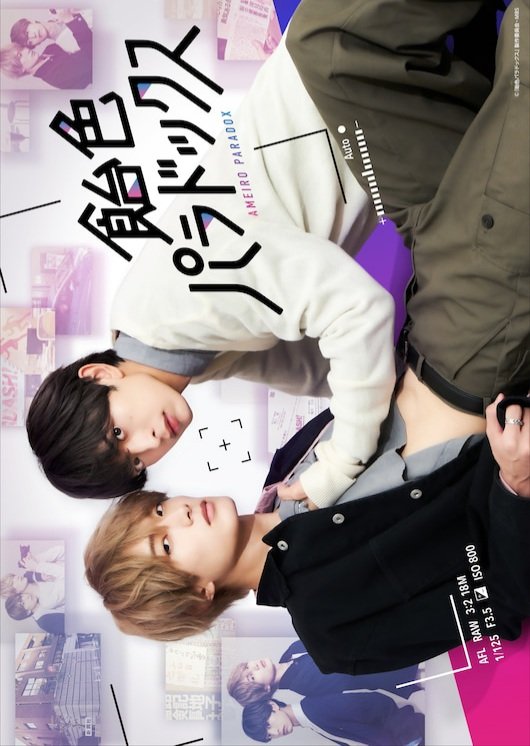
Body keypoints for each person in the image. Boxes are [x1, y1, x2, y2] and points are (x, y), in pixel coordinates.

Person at [25, 32, 397, 505]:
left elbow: (355, 311)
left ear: (99, 376)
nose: (149, 443)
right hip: (370, 100)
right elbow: (315, 369)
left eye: (117, 432)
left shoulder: (176, 302)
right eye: (135, 462)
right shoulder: (178, 352)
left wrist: (343, 463)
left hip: (355, 60)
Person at [227, 640, 421, 706]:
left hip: (393, 648)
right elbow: (356, 674)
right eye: (251, 677)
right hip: (402, 669)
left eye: (247, 667)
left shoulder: (290, 653)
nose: (254, 667)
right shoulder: (305, 683)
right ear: (265, 689)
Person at [242, 695, 424, 746]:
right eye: (268, 736)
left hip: (406, 732)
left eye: (267, 725)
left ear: (272, 706)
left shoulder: (315, 707)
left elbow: (375, 705)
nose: (275, 732)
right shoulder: (309, 719)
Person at [0, 10, 92, 89]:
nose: (26, 51)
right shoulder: (57, 77)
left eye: (21, 49)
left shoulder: (50, 49)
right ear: (20, 70)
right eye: (20, 55)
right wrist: (70, 20)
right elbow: (91, 58)